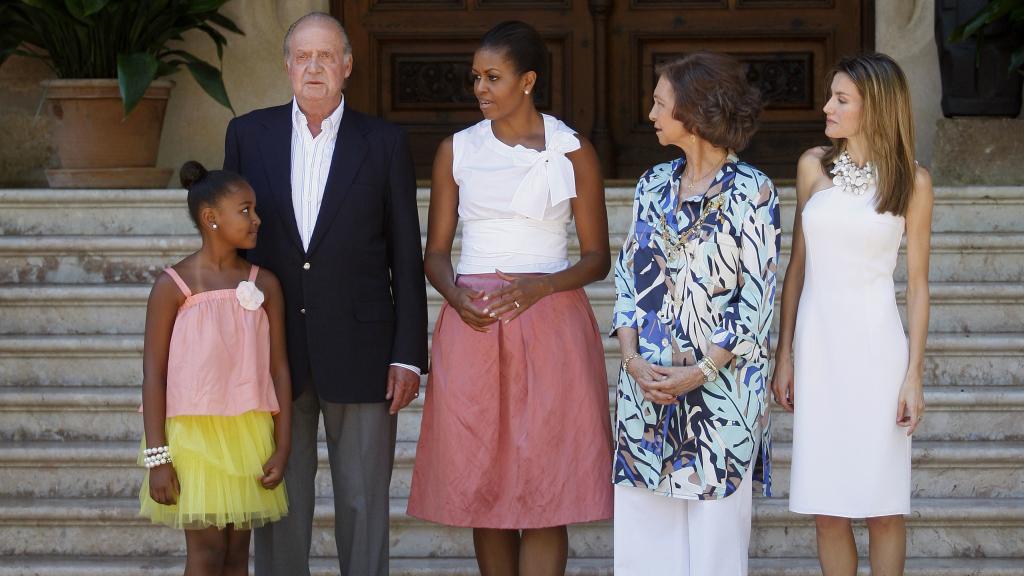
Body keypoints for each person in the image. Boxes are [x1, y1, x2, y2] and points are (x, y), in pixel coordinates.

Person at [222, 12, 428, 576]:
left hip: (362, 350)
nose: (314, 67)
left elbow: (405, 258)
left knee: (364, 505)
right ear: (287, 66)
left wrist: (408, 353)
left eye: (326, 56)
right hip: (272, 352)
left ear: (347, 67)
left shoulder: (384, 143)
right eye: (303, 57)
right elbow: (230, 253)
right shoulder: (247, 134)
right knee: (278, 503)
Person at [407, 20, 614, 576]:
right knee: (484, 482)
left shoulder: (573, 151)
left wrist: (542, 285)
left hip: (551, 319)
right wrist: (457, 297)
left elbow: (599, 258)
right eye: (475, 77)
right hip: (474, 324)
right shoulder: (456, 150)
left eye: (492, 77)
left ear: (527, 81)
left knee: (548, 484)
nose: (480, 88)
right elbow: (435, 253)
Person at [611, 52, 778, 576]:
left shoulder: (754, 190)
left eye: (661, 103)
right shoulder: (651, 184)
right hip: (648, 389)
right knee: (644, 541)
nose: (652, 112)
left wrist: (699, 372)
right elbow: (627, 278)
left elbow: (756, 297)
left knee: (715, 548)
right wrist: (632, 360)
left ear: (696, 111)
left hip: (722, 394)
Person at [772, 52, 932, 576]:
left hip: (877, 353)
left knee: (884, 509)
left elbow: (917, 286)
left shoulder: (912, 181)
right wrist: (784, 354)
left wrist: (913, 376)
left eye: (841, 99)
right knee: (828, 509)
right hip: (819, 352)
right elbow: (796, 268)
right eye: (830, 96)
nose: (827, 107)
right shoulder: (813, 166)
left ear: (876, 107)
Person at [139, 160, 291, 575]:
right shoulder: (174, 285)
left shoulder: (266, 284)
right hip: (194, 441)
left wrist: (283, 444)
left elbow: (279, 370)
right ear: (211, 219)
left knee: (237, 556)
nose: (257, 219)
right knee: (206, 554)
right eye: (245, 210)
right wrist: (158, 458)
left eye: (254, 209)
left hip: (248, 435)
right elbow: (155, 374)